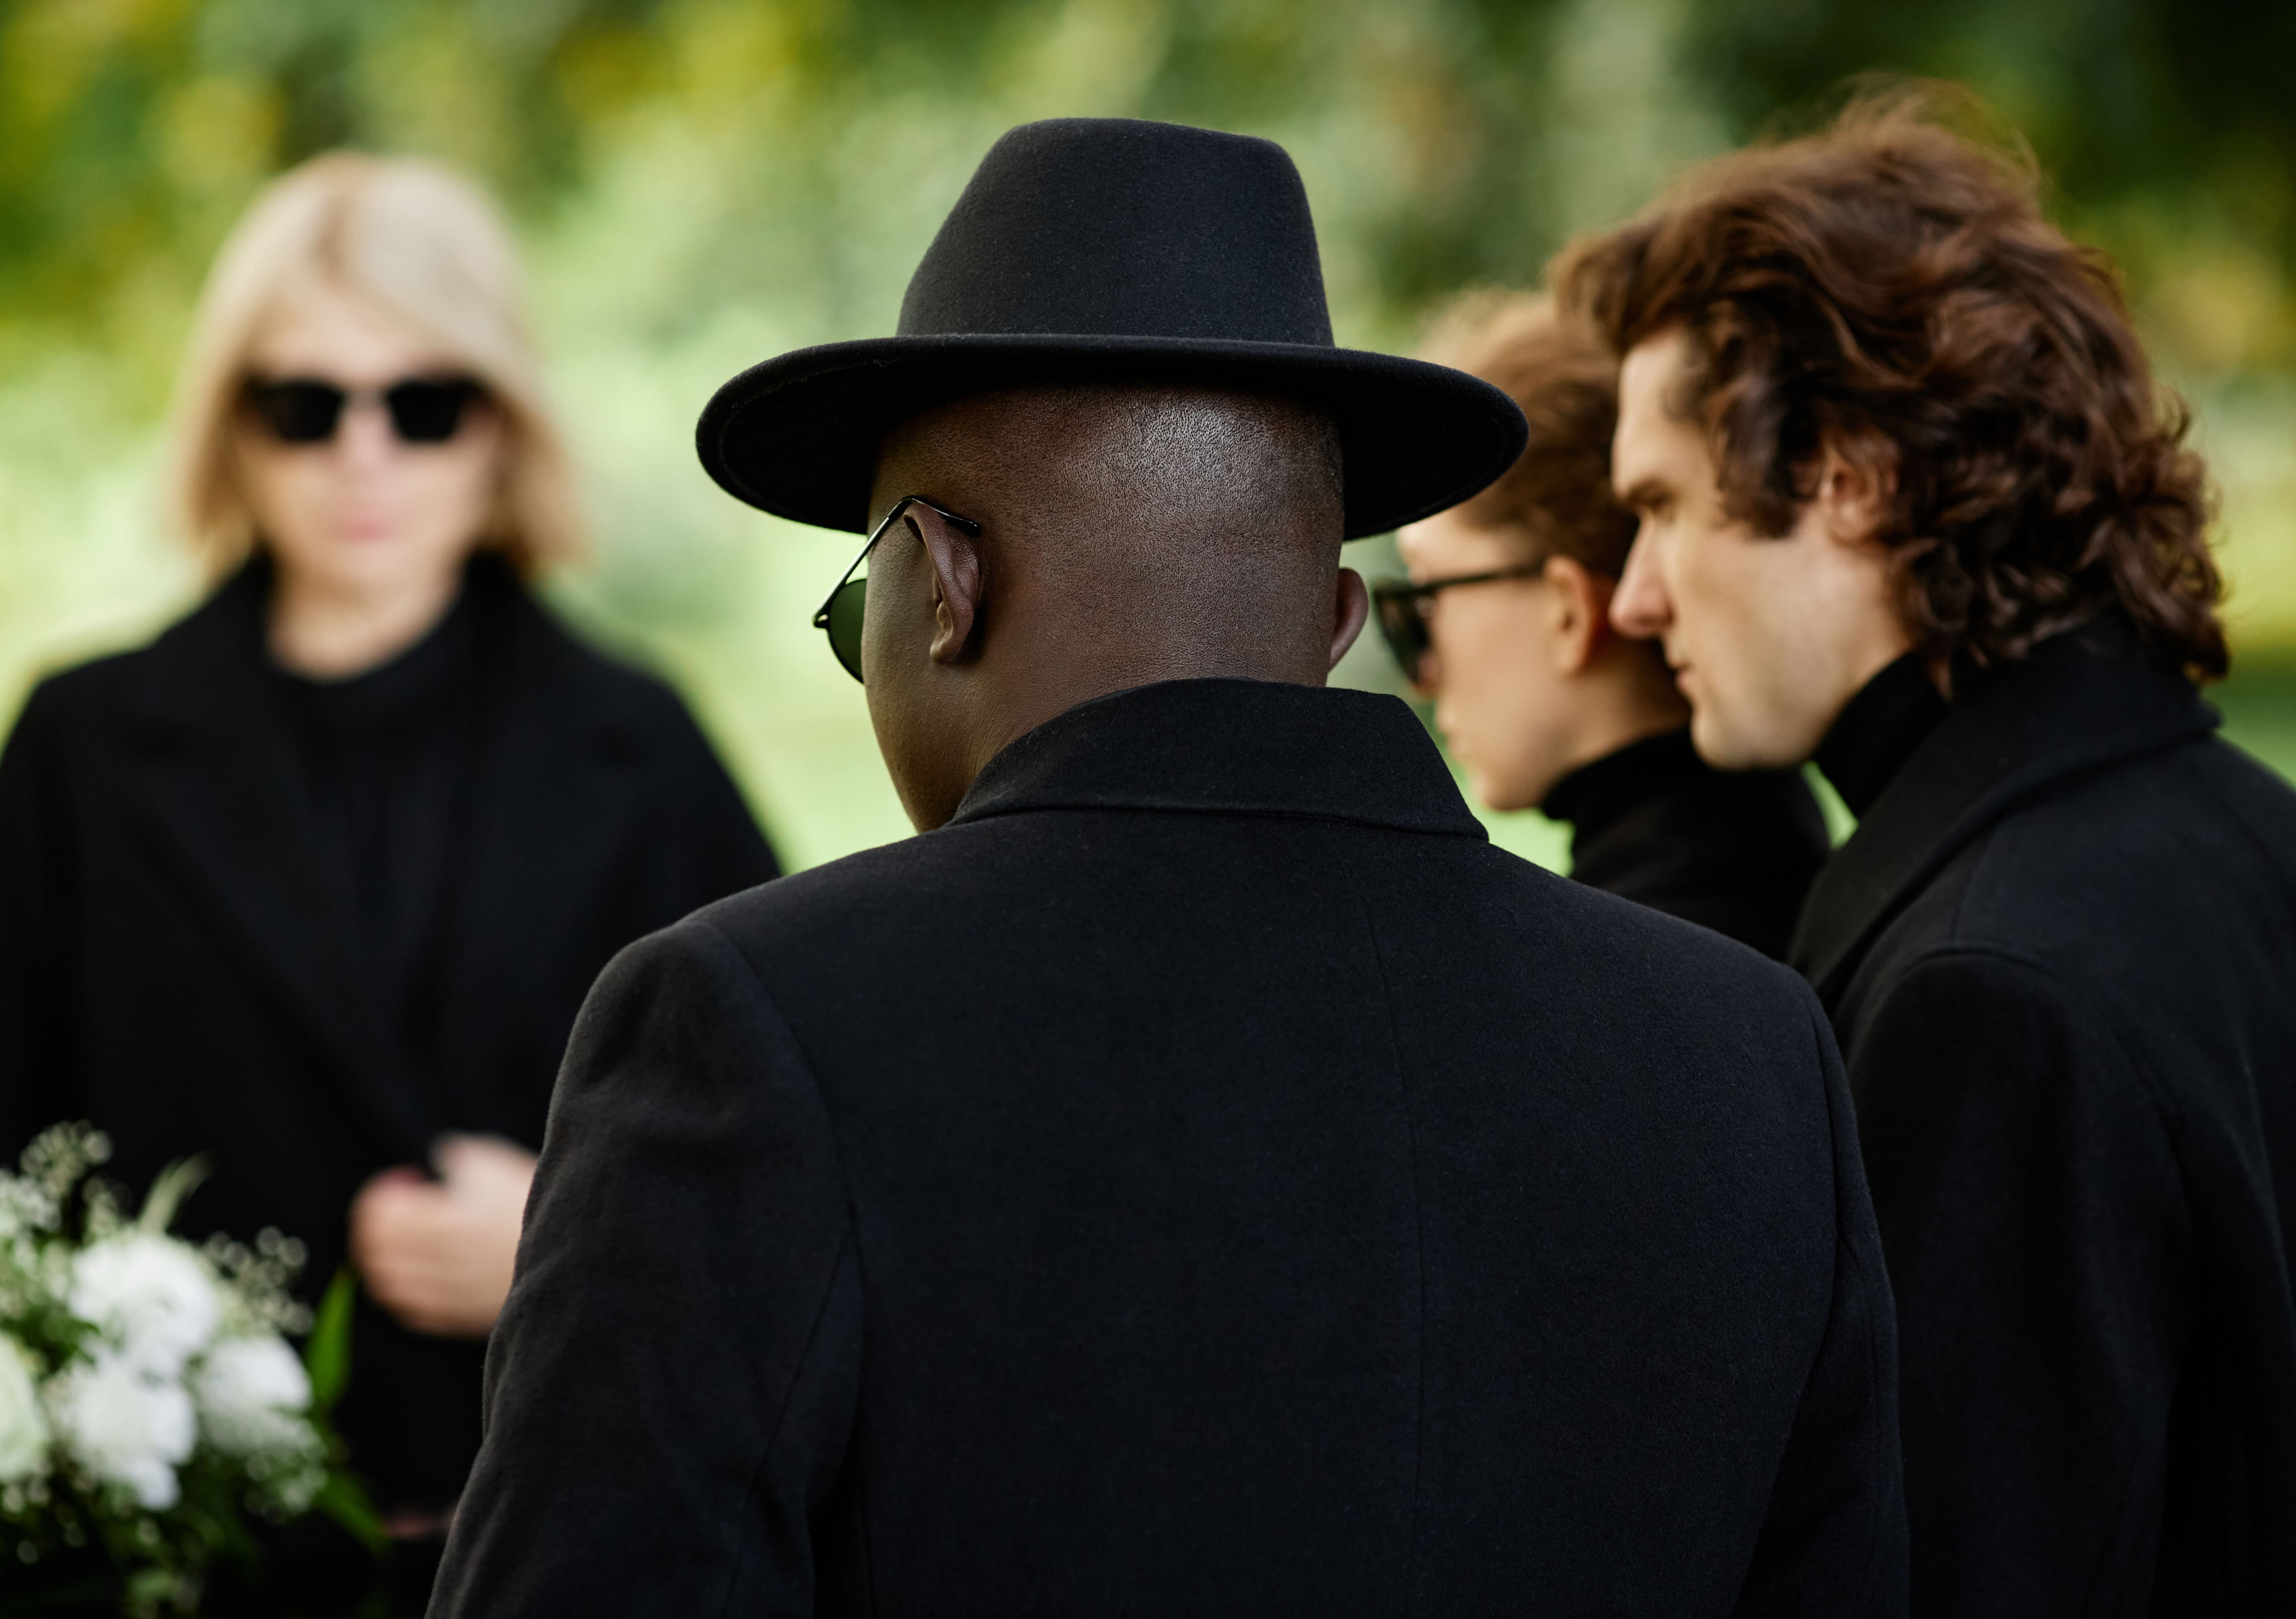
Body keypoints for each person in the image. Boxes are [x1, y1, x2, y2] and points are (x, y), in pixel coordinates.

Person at [433, 117, 1903, 1615]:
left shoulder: (753, 1031)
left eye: (851, 604)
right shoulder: (1750, 1057)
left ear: (946, 584)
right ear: (1334, 622)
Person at [0, 154, 778, 1607]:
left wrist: (568, 1253)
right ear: (229, 429)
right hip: (171, 1572)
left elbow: (795, 1194)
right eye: (303, 406)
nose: (364, 453)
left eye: (425, 404)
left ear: (502, 426)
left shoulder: (641, 743)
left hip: (559, 1562)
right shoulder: (85, 748)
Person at [1561, 91, 2296, 1614]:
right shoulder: (2235, 822)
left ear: (1847, 473)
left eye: (1661, 509)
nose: (1635, 598)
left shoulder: (1987, 990)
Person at [1380, 291, 1828, 957]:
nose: (1424, 676)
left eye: (1422, 602)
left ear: (1569, 609)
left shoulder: (1616, 961)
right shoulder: (1772, 855)